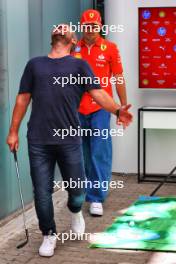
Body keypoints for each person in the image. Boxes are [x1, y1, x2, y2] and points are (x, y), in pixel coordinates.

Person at [6, 24, 132, 257]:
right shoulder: (35, 65)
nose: (62, 28)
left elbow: (98, 93)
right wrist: (13, 131)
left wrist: (117, 111)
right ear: (53, 37)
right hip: (39, 140)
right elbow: (23, 99)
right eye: (58, 27)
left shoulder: (80, 64)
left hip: (69, 139)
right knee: (42, 192)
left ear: (73, 40)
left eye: (66, 28)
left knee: (77, 191)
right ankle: (49, 234)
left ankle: (75, 211)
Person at [73, 9, 128, 216]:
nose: (90, 30)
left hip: (101, 109)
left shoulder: (110, 48)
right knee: (83, 153)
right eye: (87, 26)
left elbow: (119, 78)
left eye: (94, 26)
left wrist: (122, 106)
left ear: (100, 26)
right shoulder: (73, 48)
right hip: (77, 109)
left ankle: (96, 198)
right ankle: (88, 191)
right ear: (82, 26)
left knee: (99, 152)